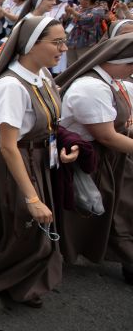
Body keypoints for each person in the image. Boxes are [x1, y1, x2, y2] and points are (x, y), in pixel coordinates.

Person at [0, 17, 77, 309]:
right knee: (19, 229)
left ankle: (18, 283)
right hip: (13, 164)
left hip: (36, 159)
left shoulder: (43, 76)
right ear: (31, 44)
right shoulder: (11, 86)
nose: (64, 47)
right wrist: (32, 196)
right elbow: (8, 146)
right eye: (57, 42)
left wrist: (59, 149)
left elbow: (50, 122)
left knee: (29, 230)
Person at [56, 33, 133, 286]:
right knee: (89, 207)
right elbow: (107, 136)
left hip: (101, 155)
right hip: (90, 157)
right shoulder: (92, 87)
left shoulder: (108, 82)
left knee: (105, 206)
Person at [65, 0, 108, 65]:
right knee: (71, 67)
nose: (79, 1)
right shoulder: (79, 8)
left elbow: (86, 20)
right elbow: (67, 21)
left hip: (86, 43)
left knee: (83, 66)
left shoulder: (98, 10)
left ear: (88, 0)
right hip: (71, 42)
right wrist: (68, 13)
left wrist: (73, 12)